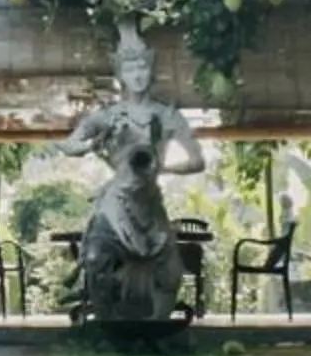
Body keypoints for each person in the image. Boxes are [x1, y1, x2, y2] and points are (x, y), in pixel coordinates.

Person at [64, 22, 206, 325]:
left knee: (171, 273)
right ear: (120, 75)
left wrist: (164, 167)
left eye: (142, 67)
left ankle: (155, 328)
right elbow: (68, 144)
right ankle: (107, 327)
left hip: (151, 202)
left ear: (151, 71)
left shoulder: (167, 115)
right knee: (95, 259)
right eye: (130, 69)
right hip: (116, 203)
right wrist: (92, 145)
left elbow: (197, 161)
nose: (138, 75)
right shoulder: (110, 115)